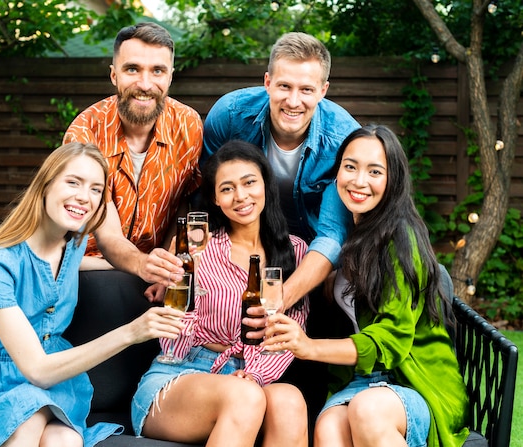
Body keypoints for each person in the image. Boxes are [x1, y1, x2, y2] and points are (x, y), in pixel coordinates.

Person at [0, 142, 185, 447]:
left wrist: (140, 271)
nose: (84, 197)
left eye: (96, 189)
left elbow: (72, 263)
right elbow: (38, 370)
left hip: (57, 387)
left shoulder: (71, 245)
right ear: (44, 186)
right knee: (27, 428)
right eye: (73, 182)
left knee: (66, 440)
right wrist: (132, 332)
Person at [262, 125, 470, 447]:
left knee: (367, 411)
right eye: (350, 166)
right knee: (328, 428)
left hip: (414, 382)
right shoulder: (349, 235)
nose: (359, 181)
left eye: (375, 171)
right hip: (359, 381)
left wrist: (309, 347)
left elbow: (392, 340)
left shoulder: (402, 237)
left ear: (393, 179)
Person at [202, 30, 361, 421]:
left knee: (312, 313)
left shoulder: (343, 137)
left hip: (308, 250)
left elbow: (332, 235)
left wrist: (280, 298)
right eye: (284, 86)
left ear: (324, 90)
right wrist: (190, 262)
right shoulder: (229, 115)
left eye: (307, 89)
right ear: (267, 81)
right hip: (243, 240)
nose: (294, 101)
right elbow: (207, 192)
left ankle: (309, 408)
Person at [131, 140, 310, 447]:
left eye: (249, 182)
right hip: (182, 373)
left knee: (289, 400)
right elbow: (175, 321)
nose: (241, 196)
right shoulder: (197, 244)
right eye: (227, 188)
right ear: (215, 199)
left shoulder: (295, 251)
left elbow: (288, 336)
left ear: (266, 184)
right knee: (244, 396)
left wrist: (253, 373)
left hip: (251, 377)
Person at [63, 22, 202, 289]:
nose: (145, 84)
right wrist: (146, 266)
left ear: (170, 76)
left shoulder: (189, 125)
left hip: (154, 271)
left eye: (158, 71)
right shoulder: (84, 132)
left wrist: (168, 265)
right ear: (114, 75)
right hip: (87, 270)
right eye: (132, 69)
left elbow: (183, 205)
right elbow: (108, 233)